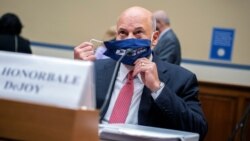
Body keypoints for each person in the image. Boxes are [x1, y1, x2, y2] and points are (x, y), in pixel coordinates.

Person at [74, 6, 207, 140]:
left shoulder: (181, 79)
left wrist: (157, 88)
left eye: (138, 32)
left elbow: (198, 130)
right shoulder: (94, 69)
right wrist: (78, 72)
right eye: (123, 33)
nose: (129, 40)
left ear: (154, 38)